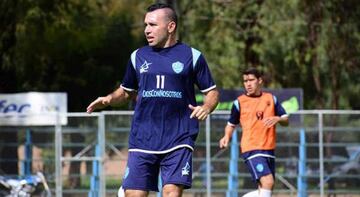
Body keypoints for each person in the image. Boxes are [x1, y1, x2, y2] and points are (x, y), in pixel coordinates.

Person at [87, 3, 219, 197]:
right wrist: (108, 99)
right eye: (145, 25)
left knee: (171, 192)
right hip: (143, 136)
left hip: (179, 136)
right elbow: (125, 92)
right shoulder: (137, 57)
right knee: (135, 194)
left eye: (152, 25)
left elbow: (212, 92)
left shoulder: (192, 56)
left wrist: (207, 107)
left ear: (171, 26)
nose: (147, 30)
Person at [219, 67, 289, 197]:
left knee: (265, 188)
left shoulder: (271, 99)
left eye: (251, 80)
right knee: (268, 182)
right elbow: (231, 124)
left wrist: (278, 118)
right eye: (245, 81)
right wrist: (226, 136)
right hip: (251, 148)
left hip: (269, 149)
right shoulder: (239, 102)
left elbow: (286, 120)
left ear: (260, 81)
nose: (248, 84)